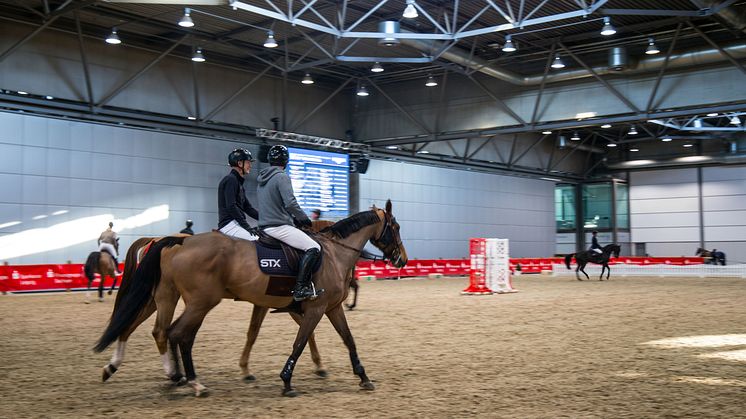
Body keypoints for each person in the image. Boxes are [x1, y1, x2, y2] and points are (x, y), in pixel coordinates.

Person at [257, 145, 323, 301]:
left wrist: (292, 219)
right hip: (278, 227)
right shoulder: (282, 176)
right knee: (314, 247)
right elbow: (290, 203)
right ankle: (300, 288)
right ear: (286, 161)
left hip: (264, 227)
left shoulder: (262, 179)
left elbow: (276, 204)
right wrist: (303, 218)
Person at [218, 148, 259, 240]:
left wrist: (265, 219)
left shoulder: (238, 183)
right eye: (248, 162)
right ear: (240, 163)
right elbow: (231, 206)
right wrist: (247, 226)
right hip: (229, 224)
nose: (250, 166)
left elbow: (248, 208)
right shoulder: (231, 180)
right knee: (256, 241)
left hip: (235, 223)